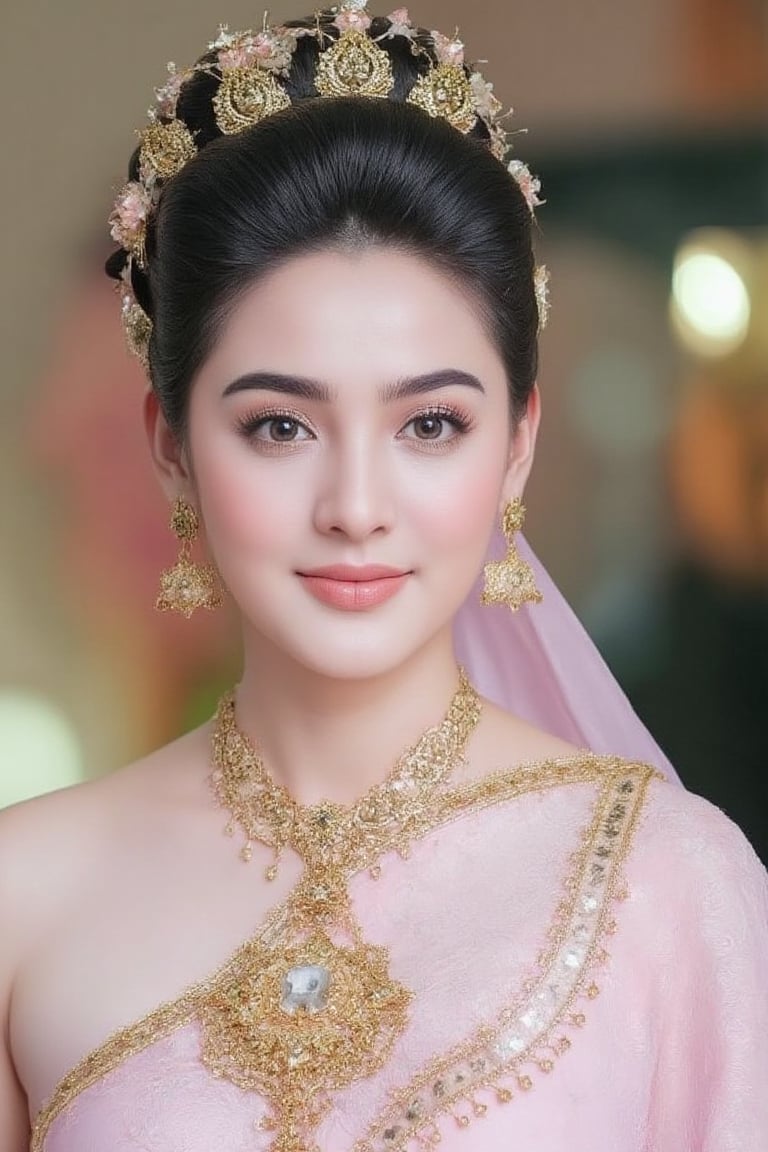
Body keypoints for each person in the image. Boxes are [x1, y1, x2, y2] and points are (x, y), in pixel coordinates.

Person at [2, 6, 767, 1150]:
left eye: (431, 424)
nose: (356, 505)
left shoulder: (668, 885)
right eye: (278, 427)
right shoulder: (27, 891)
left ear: (516, 443)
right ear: (170, 443)